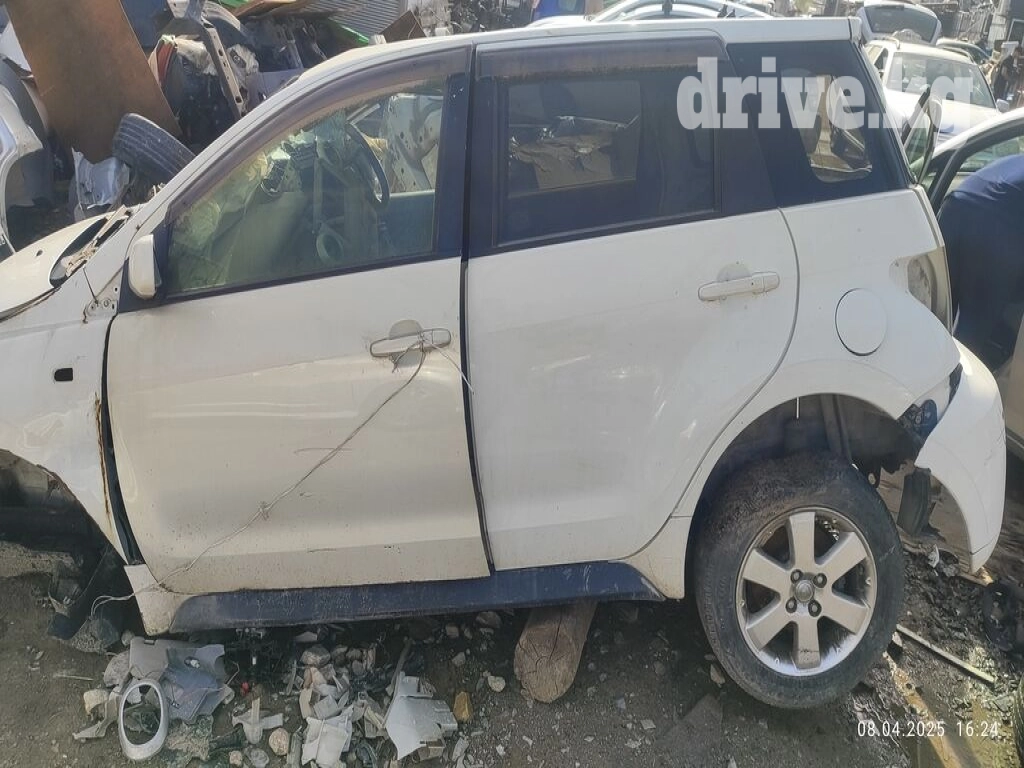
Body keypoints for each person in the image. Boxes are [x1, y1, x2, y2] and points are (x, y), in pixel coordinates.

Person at [937, 154, 1024, 369]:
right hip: (994, 223)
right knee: (971, 332)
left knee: (937, 317)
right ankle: (953, 384)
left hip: (956, 206)